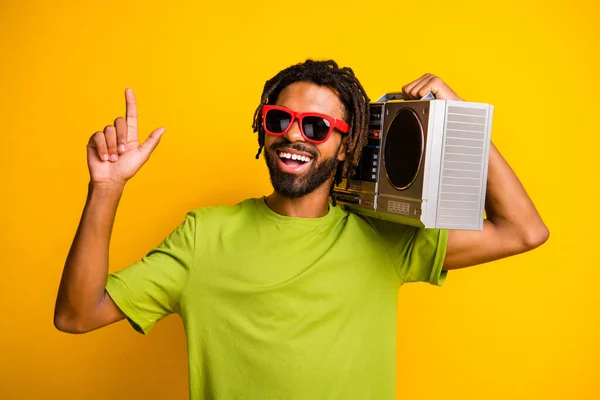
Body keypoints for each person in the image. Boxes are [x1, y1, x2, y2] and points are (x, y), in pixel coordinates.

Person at [54, 59, 549, 399]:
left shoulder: (382, 238)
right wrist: (107, 188)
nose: (293, 134)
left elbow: (524, 230)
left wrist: (460, 119)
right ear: (263, 127)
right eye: (280, 119)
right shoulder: (204, 236)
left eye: (315, 126)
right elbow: (77, 314)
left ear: (346, 144)